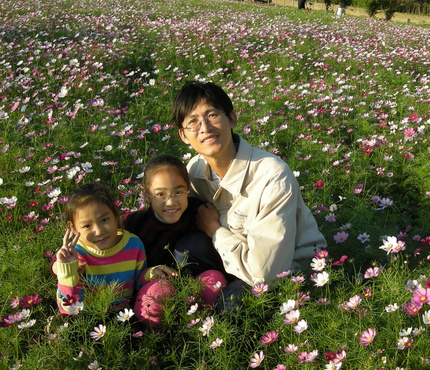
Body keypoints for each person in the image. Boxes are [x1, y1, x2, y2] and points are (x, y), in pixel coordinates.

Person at [171, 81, 326, 301]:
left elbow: (265, 275)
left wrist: (214, 229)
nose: (205, 128)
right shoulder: (194, 171)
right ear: (184, 135)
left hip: (284, 271)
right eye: (193, 122)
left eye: (213, 115)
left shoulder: (272, 175)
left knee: (231, 307)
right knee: (185, 250)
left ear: (232, 118)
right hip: (234, 256)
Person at [125, 155, 227, 327]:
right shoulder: (134, 223)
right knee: (159, 293)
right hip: (154, 284)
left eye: (178, 192)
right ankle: (154, 337)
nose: (171, 202)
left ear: (188, 189)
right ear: (146, 194)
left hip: (189, 285)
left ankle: (195, 325)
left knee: (215, 279)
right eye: (160, 194)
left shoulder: (199, 213)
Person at [53, 183, 154, 315]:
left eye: (105, 220)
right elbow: (69, 308)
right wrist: (68, 271)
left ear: (116, 217)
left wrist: (150, 274)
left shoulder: (133, 245)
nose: (99, 231)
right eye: (87, 226)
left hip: (124, 314)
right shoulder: (75, 255)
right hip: (87, 317)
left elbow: (138, 283)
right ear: (73, 228)